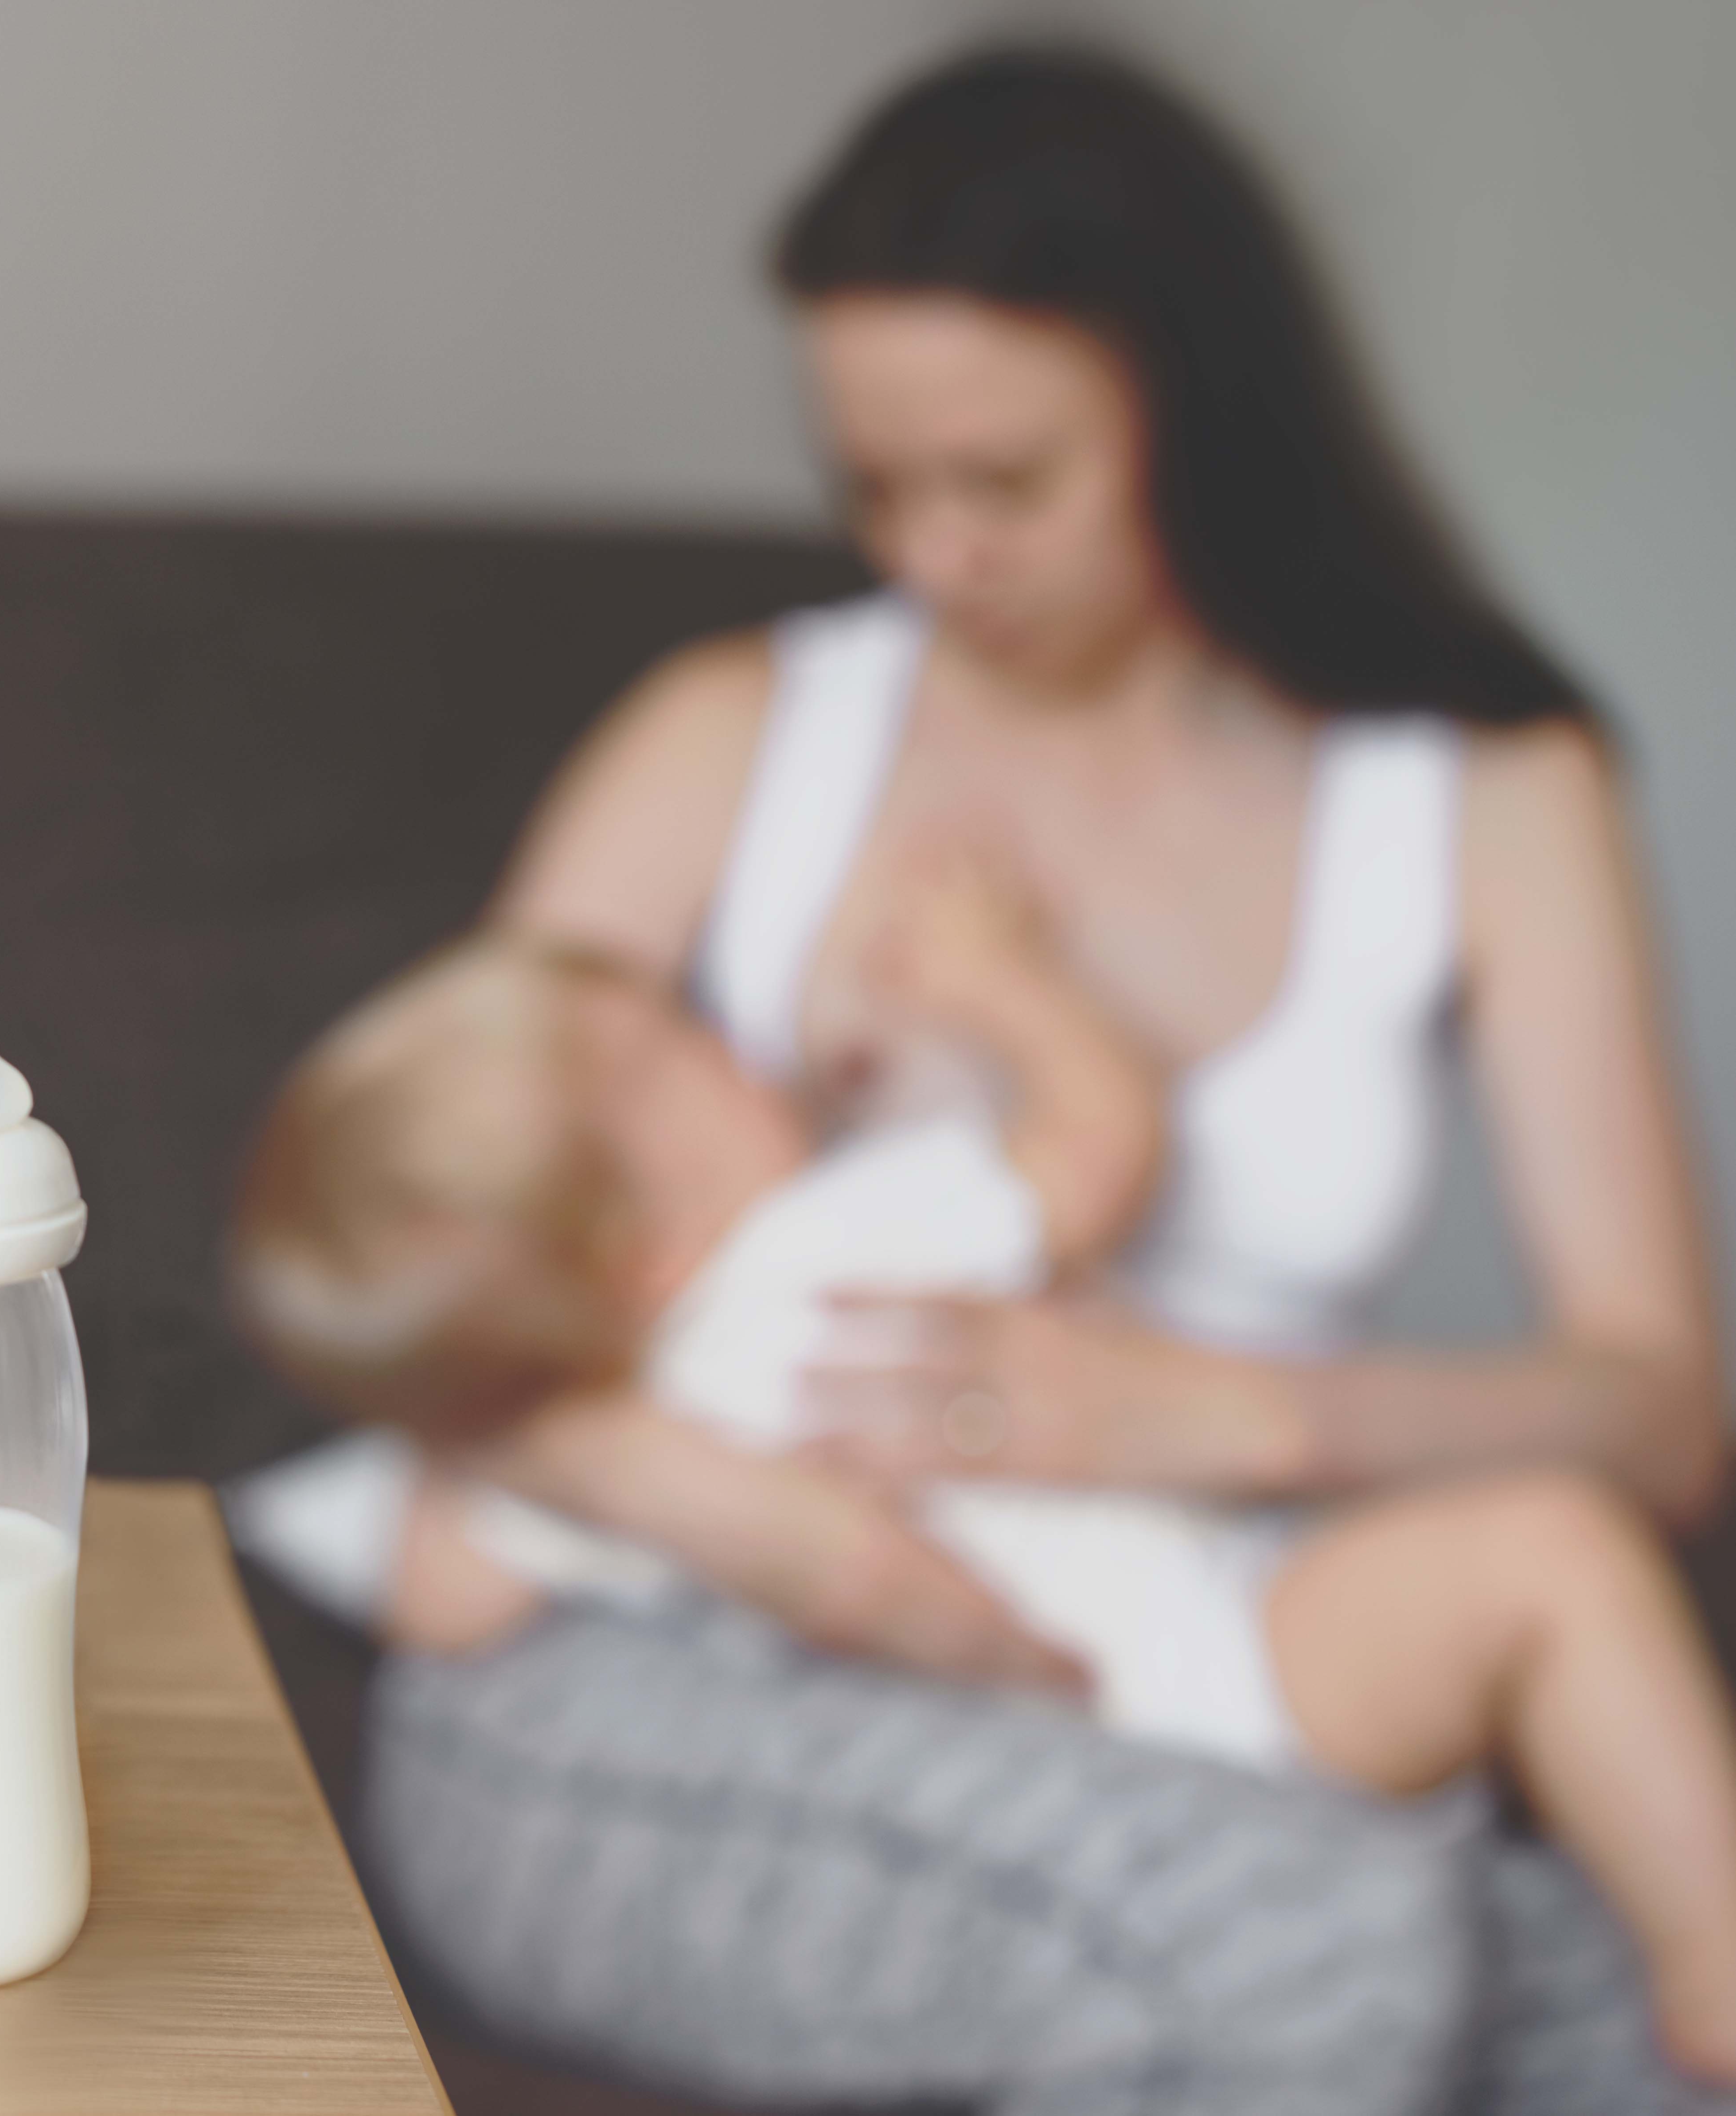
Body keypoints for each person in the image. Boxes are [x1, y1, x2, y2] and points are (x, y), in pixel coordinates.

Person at [231, 44, 1726, 2116]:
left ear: (1199, 420)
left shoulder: (1485, 790)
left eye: (1005, 483)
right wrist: (762, 1526)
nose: (934, 556)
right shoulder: (731, 730)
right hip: (690, 1644)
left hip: (1183, 1604)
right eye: (874, 488)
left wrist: (1233, 1414)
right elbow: (434, 1249)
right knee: (1343, 1945)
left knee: (1596, 2018)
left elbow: (1659, 1418)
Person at [230, 909, 1736, 2080]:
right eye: (686, 1044)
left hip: (1046, 1749)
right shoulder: (839, 1247)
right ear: (650, 1215)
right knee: (1551, 1556)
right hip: (1213, 1665)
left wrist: (505, 1406)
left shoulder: (625, 1434)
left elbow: (439, 1596)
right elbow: (1098, 1152)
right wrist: (996, 981)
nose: (737, 1051)